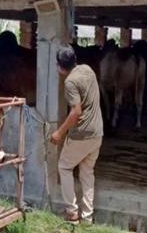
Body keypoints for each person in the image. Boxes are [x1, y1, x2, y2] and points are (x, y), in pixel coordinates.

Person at [50, 44, 103, 224]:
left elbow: (76, 112)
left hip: (82, 134)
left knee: (64, 167)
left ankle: (72, 212)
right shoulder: (87, 69)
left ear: (60, 66)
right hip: (97, 133)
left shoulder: (70, 82)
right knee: (87, 173)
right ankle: (87, 218)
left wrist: (59, 133)